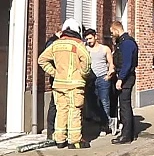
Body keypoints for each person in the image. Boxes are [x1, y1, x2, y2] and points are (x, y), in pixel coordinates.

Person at [38, 19, 91, 149]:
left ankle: (60, 140)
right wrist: (83, 74)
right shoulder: (78, 45)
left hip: (58, 84)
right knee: (74, 111)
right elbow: (87, 62)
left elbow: (42, 60)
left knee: (61, 111)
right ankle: (75, 141)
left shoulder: (55, 44)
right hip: (74, 85)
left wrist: (54, 73)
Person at [83, 28, 116, 136]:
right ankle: (106, 121)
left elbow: (111, 63)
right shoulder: (85, 49)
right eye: (87, 39)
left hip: (103, 79)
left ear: (95, 37)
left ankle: (104, 126)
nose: (89, 41)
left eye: (90, 38)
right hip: (90, 80)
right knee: (93, 103)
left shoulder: (105, 49)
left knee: (104, 102)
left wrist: (109, 74)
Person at [111, 21, 138, 145]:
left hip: (126, 78)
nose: (112, 35)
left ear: (117, 30)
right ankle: (129, 133)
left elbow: (126, 63)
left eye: (112, 33)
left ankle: (126, 136)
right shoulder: (124, 42)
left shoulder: (126, 43)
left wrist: (120, 79)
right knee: (125, 105)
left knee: (124, 106)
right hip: (126, 76)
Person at [44, 29, 62, 141]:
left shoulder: (53, 42)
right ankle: (51, 132)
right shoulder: (53, 43)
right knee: (55, 105)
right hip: (57, 78)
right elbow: (46, 60)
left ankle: (53, 133)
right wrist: (55, 73)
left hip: (57, 77)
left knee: (56, 104)